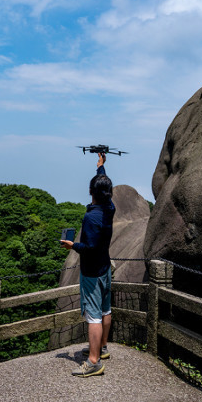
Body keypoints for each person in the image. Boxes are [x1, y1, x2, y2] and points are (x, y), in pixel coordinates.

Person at [61, 152, 115, 377]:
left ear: (91, 192)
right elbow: (104, 188)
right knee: (105, 309)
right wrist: (101, 168)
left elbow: (89, 248)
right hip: (105, 268)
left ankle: (93, 363)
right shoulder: (109, 208)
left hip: (92, 272)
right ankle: (101, 348)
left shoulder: (91, 218)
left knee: (93, 316)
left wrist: (72, 245)